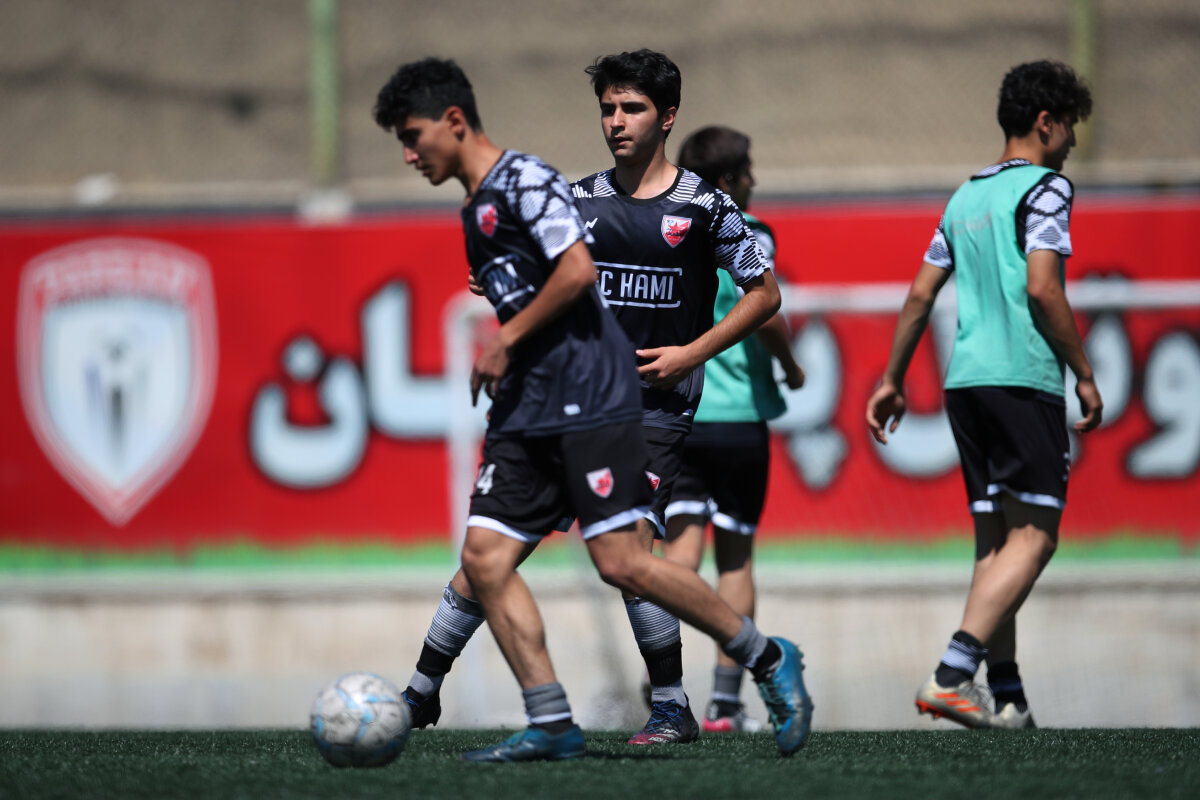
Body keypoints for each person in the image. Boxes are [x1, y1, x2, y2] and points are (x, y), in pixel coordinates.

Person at [374, 56, 812, 761]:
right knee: (489, 556)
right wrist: (509, 282)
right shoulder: (575, 199)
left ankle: (682, 698)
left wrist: (691, 353)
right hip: (562, 403)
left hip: (652, 408)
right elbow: (555, 276)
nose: (616, 122)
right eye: (608, 109)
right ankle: (425, 692)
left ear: (667, 117)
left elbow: (766, 297)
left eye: (631, 109)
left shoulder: (705, 205)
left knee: (626, 558)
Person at [865, 60, 1102, 730]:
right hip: (1021, 377)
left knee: (995, 545)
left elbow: (920, 295)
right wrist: (1084, 373)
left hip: (965, 384)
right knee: (1037, 538)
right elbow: (1043, 288)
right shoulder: (1046, 188)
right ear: (1045, 123)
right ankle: (950, 674)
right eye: (1070, 127)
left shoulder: (965, 197)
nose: (1072, 143)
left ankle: (1007, 694)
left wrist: (891, 379)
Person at [664, 125, 805, 734]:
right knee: (736, 560)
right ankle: (725, 704)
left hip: (678, 415)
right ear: (727, 181)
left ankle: (665, 684)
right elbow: (766, 314)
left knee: (676, 556)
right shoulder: (748, 230)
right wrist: (791, 365)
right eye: (747, 172)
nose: (754, 180)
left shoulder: (666, 229)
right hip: (739, 418)